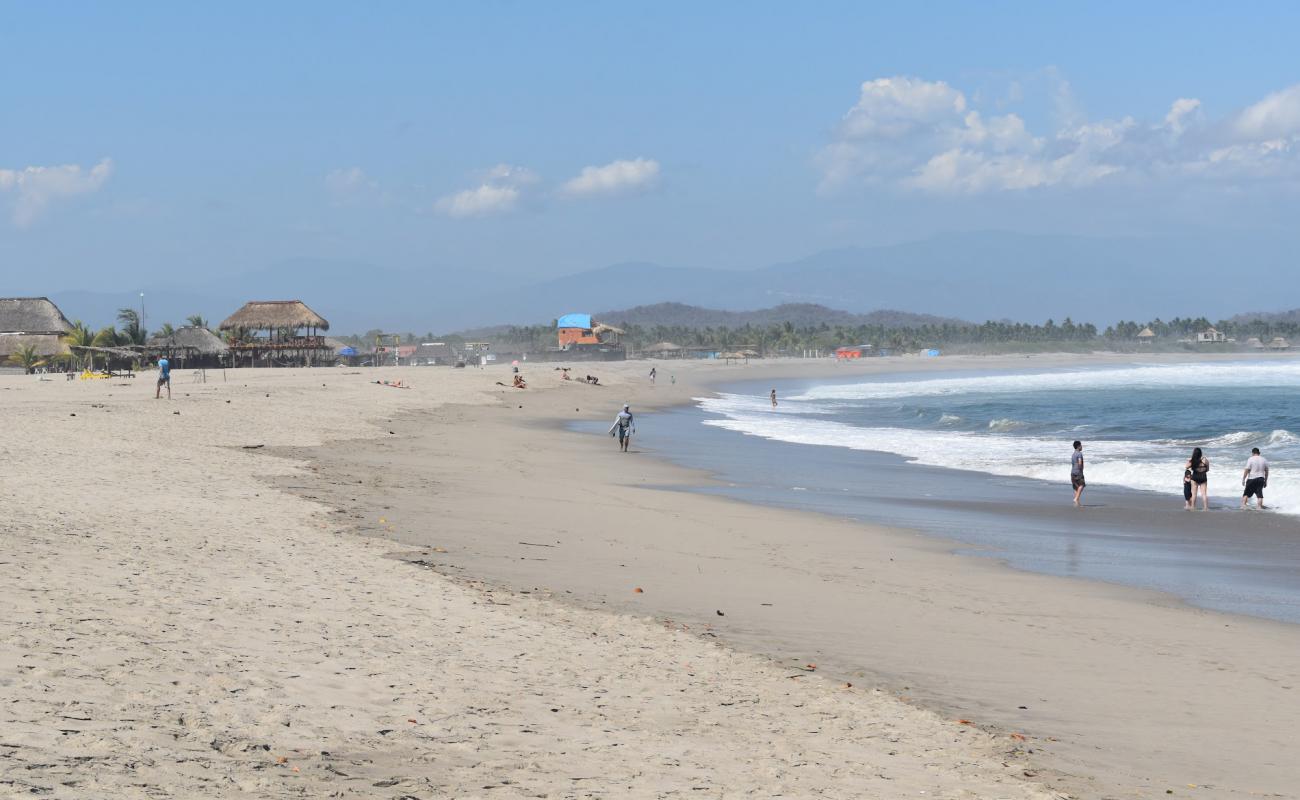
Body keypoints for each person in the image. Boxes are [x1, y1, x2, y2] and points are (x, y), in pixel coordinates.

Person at [1070, 440, 1085, 506]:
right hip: (1078, 472)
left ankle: (1077, 501)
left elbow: (1073, 463)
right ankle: (1076, 498)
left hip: (1072, 472)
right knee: (1082, 485)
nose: (1082, 446)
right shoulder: (1079, 453)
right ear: (1078, 446)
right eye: (1081, 445)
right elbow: (1079, 462)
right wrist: (1081, 470)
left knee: (1076, 487)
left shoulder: (1073, 454)